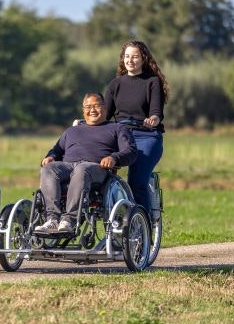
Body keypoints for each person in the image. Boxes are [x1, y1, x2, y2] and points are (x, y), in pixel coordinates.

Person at [35, 92, 137, 233]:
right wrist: (50, 156)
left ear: (105, 107)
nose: (92, 110)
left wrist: (114, 158)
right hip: (68, 166)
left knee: (82, 169)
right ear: (83, 110)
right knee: (49, 169)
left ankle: (69, 220)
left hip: (96, 168)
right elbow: (56, 150)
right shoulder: (71, 131)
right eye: (88, 107)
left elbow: (130, 151)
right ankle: (52, 219)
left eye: (96, 106)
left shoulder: (117, 128)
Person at [104, 40, 169, 217]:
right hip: (120, 135)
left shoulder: (152, 82)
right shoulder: (115, 85)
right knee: (98, 173)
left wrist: (153, 120)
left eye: (135, 56)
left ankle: (142, 229)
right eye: (127, 56)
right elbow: (104, 116)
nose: (130, 60)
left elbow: (156, 112)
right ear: (122, 59)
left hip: (146, 135)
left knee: (136, 181)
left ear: (143, 59)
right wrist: (83, 123)